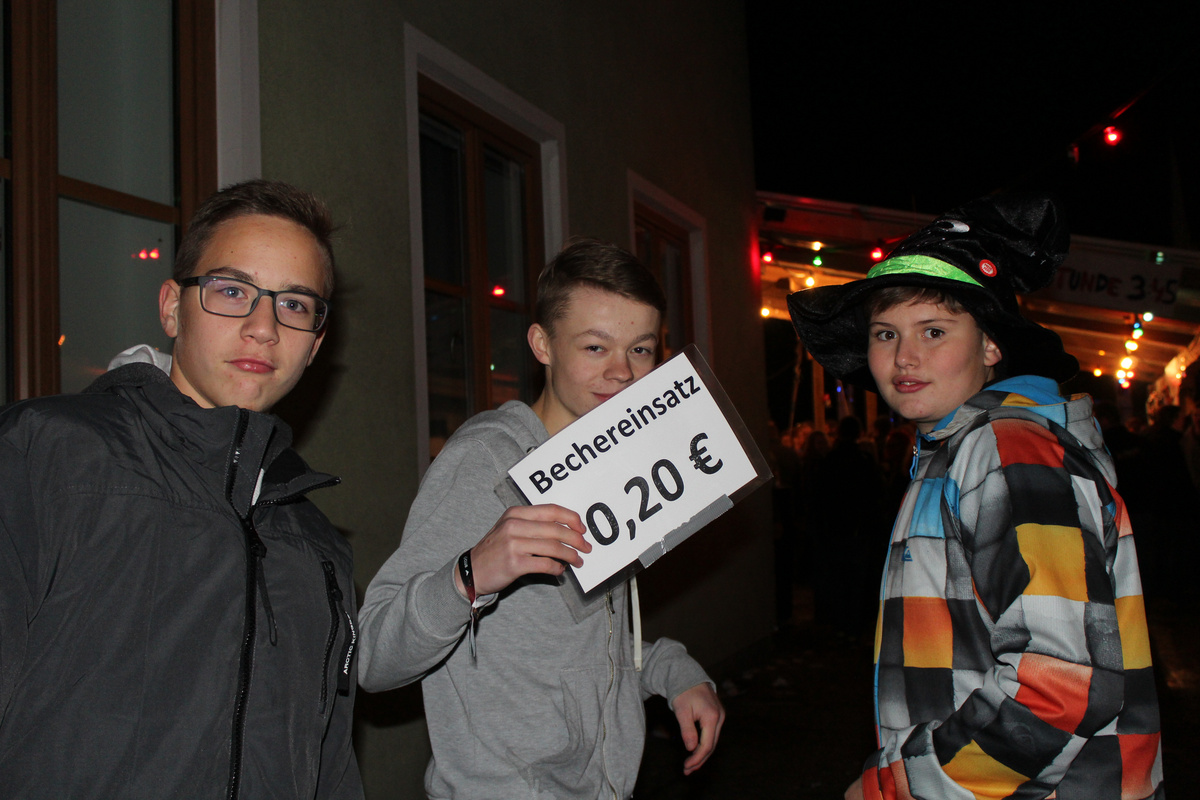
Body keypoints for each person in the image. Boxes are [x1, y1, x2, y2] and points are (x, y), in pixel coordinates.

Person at [787, 193, 1163, 800]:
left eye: (934, 331)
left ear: (990, 345)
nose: (904, 357)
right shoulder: (960, 450)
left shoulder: (1009, 450)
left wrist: (901, 785)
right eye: (885, 333)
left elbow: (1061, 686)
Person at [0, 180, 363, 799]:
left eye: (295, 305)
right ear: (172, 308)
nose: (264, 328)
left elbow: (329, 769)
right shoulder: (46, 454)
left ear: (315, 345)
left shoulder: (317, 545)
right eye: (232, 291)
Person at [358, 239, 724, 799]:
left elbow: (584, 645)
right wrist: (469, 576)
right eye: (595, 347)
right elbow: (373, 657)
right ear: (542, 344)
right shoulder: (485, 460)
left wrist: (671, 672)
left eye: (641, 350)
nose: (623, 372)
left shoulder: (616, 461)